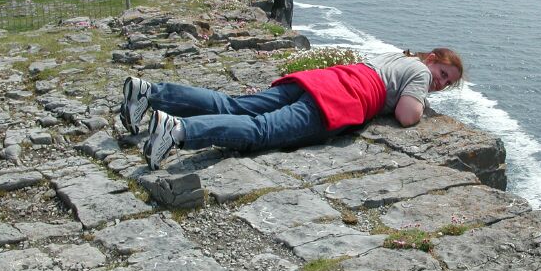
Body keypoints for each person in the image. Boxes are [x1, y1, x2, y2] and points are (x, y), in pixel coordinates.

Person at [120, 48, 463, 170]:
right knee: (262, 130)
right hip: (337, 101)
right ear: (431, 59)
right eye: (443, 74)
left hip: (319, 80)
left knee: (235, 105)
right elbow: (407, 115)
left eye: (448, 83)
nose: (441, 83)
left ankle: (149, 92)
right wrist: (421, 100)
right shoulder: (418, 71)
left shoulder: (396, 57)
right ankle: (179, 131)